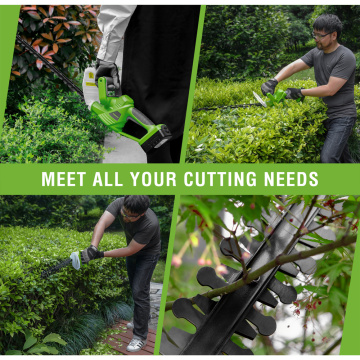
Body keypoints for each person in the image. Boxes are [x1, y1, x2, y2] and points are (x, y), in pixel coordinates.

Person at [95, 5, 201, 163]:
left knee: (154, 132)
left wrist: (106, 58)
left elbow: (119, 6)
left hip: (152, 40)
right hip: (186, 33)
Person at [261, 14, 356, 163]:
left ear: (334, 35)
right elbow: (293, 67)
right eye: (314, 34)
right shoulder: (316, 53)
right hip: (326, 113)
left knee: (328, 158)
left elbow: (330, 89)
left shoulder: (346, 56)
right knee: (344, 159)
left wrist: (299, 92)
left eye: (320, 35)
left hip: (342, 116)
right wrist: (274, 81)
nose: (315, 38)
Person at [82, 195, 161, 352]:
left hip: (148, 254)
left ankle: (140, 336)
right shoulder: (120, 203)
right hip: (132, 250)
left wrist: (101, 254)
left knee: (140, 291)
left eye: (130, 216)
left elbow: (130, 250)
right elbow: (102, 222)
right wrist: (93, 247)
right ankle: (143, 319)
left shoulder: (150, 223)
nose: (124, 217)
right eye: (124, 213)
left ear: (142, 214)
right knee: (134, 287)